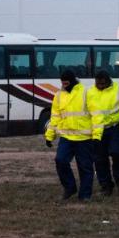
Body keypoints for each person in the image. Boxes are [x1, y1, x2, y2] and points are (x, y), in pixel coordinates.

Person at [44, 70, 97, 202]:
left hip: (84, 138)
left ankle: (85, 195)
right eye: (62, 83)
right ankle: (70, 187)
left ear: (73, 80)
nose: (64, 85)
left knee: (85, 167)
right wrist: (49, 135)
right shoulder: (58, 95)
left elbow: (97, 115)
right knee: (60, 161)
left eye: (67, 82)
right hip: (66, 137)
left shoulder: (86, 92)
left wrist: (97, 135)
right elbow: (55, 117)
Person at [88, 70, 119, 196]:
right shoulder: (90, 92)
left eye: (102, 84)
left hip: (114, 128)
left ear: (108, 82)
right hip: (97, 130)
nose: (100, 86)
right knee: (99, 159)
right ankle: (105, 186)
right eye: (98, 84)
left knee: (117, 153)